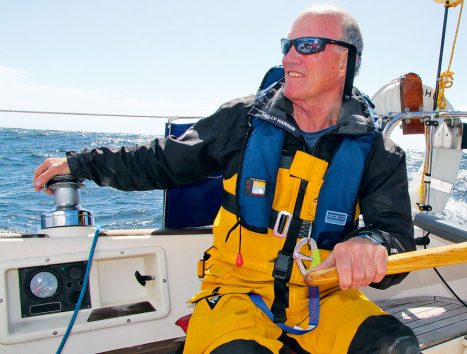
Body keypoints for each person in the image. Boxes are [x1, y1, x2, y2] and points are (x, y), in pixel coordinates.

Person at [33, 5, 420, 354]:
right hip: (238, 292)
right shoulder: (242, 121)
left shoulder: (379, 154)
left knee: (396, 346)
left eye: (307, 45)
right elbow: (158, 162)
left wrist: (372, 243)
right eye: (287, 45)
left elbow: (396, 239)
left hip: (323, 294)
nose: (288, 56)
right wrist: (80, 163)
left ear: (343, 61)